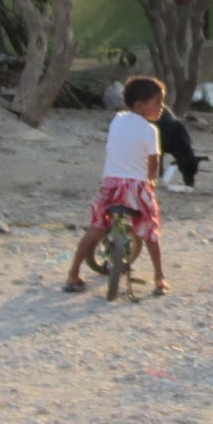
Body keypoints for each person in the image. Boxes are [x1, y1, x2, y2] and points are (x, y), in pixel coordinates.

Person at [63, 75, 169, 296]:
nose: (162, 107)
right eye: (158, 102)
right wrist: (151, 181)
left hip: (110, 185)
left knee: (95, 229)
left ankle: (73, 274)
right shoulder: (151, 131)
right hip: (136, 188)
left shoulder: (117, 120)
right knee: (150, 230)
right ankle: (159, 278)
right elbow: (154, 162)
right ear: (140, 105)